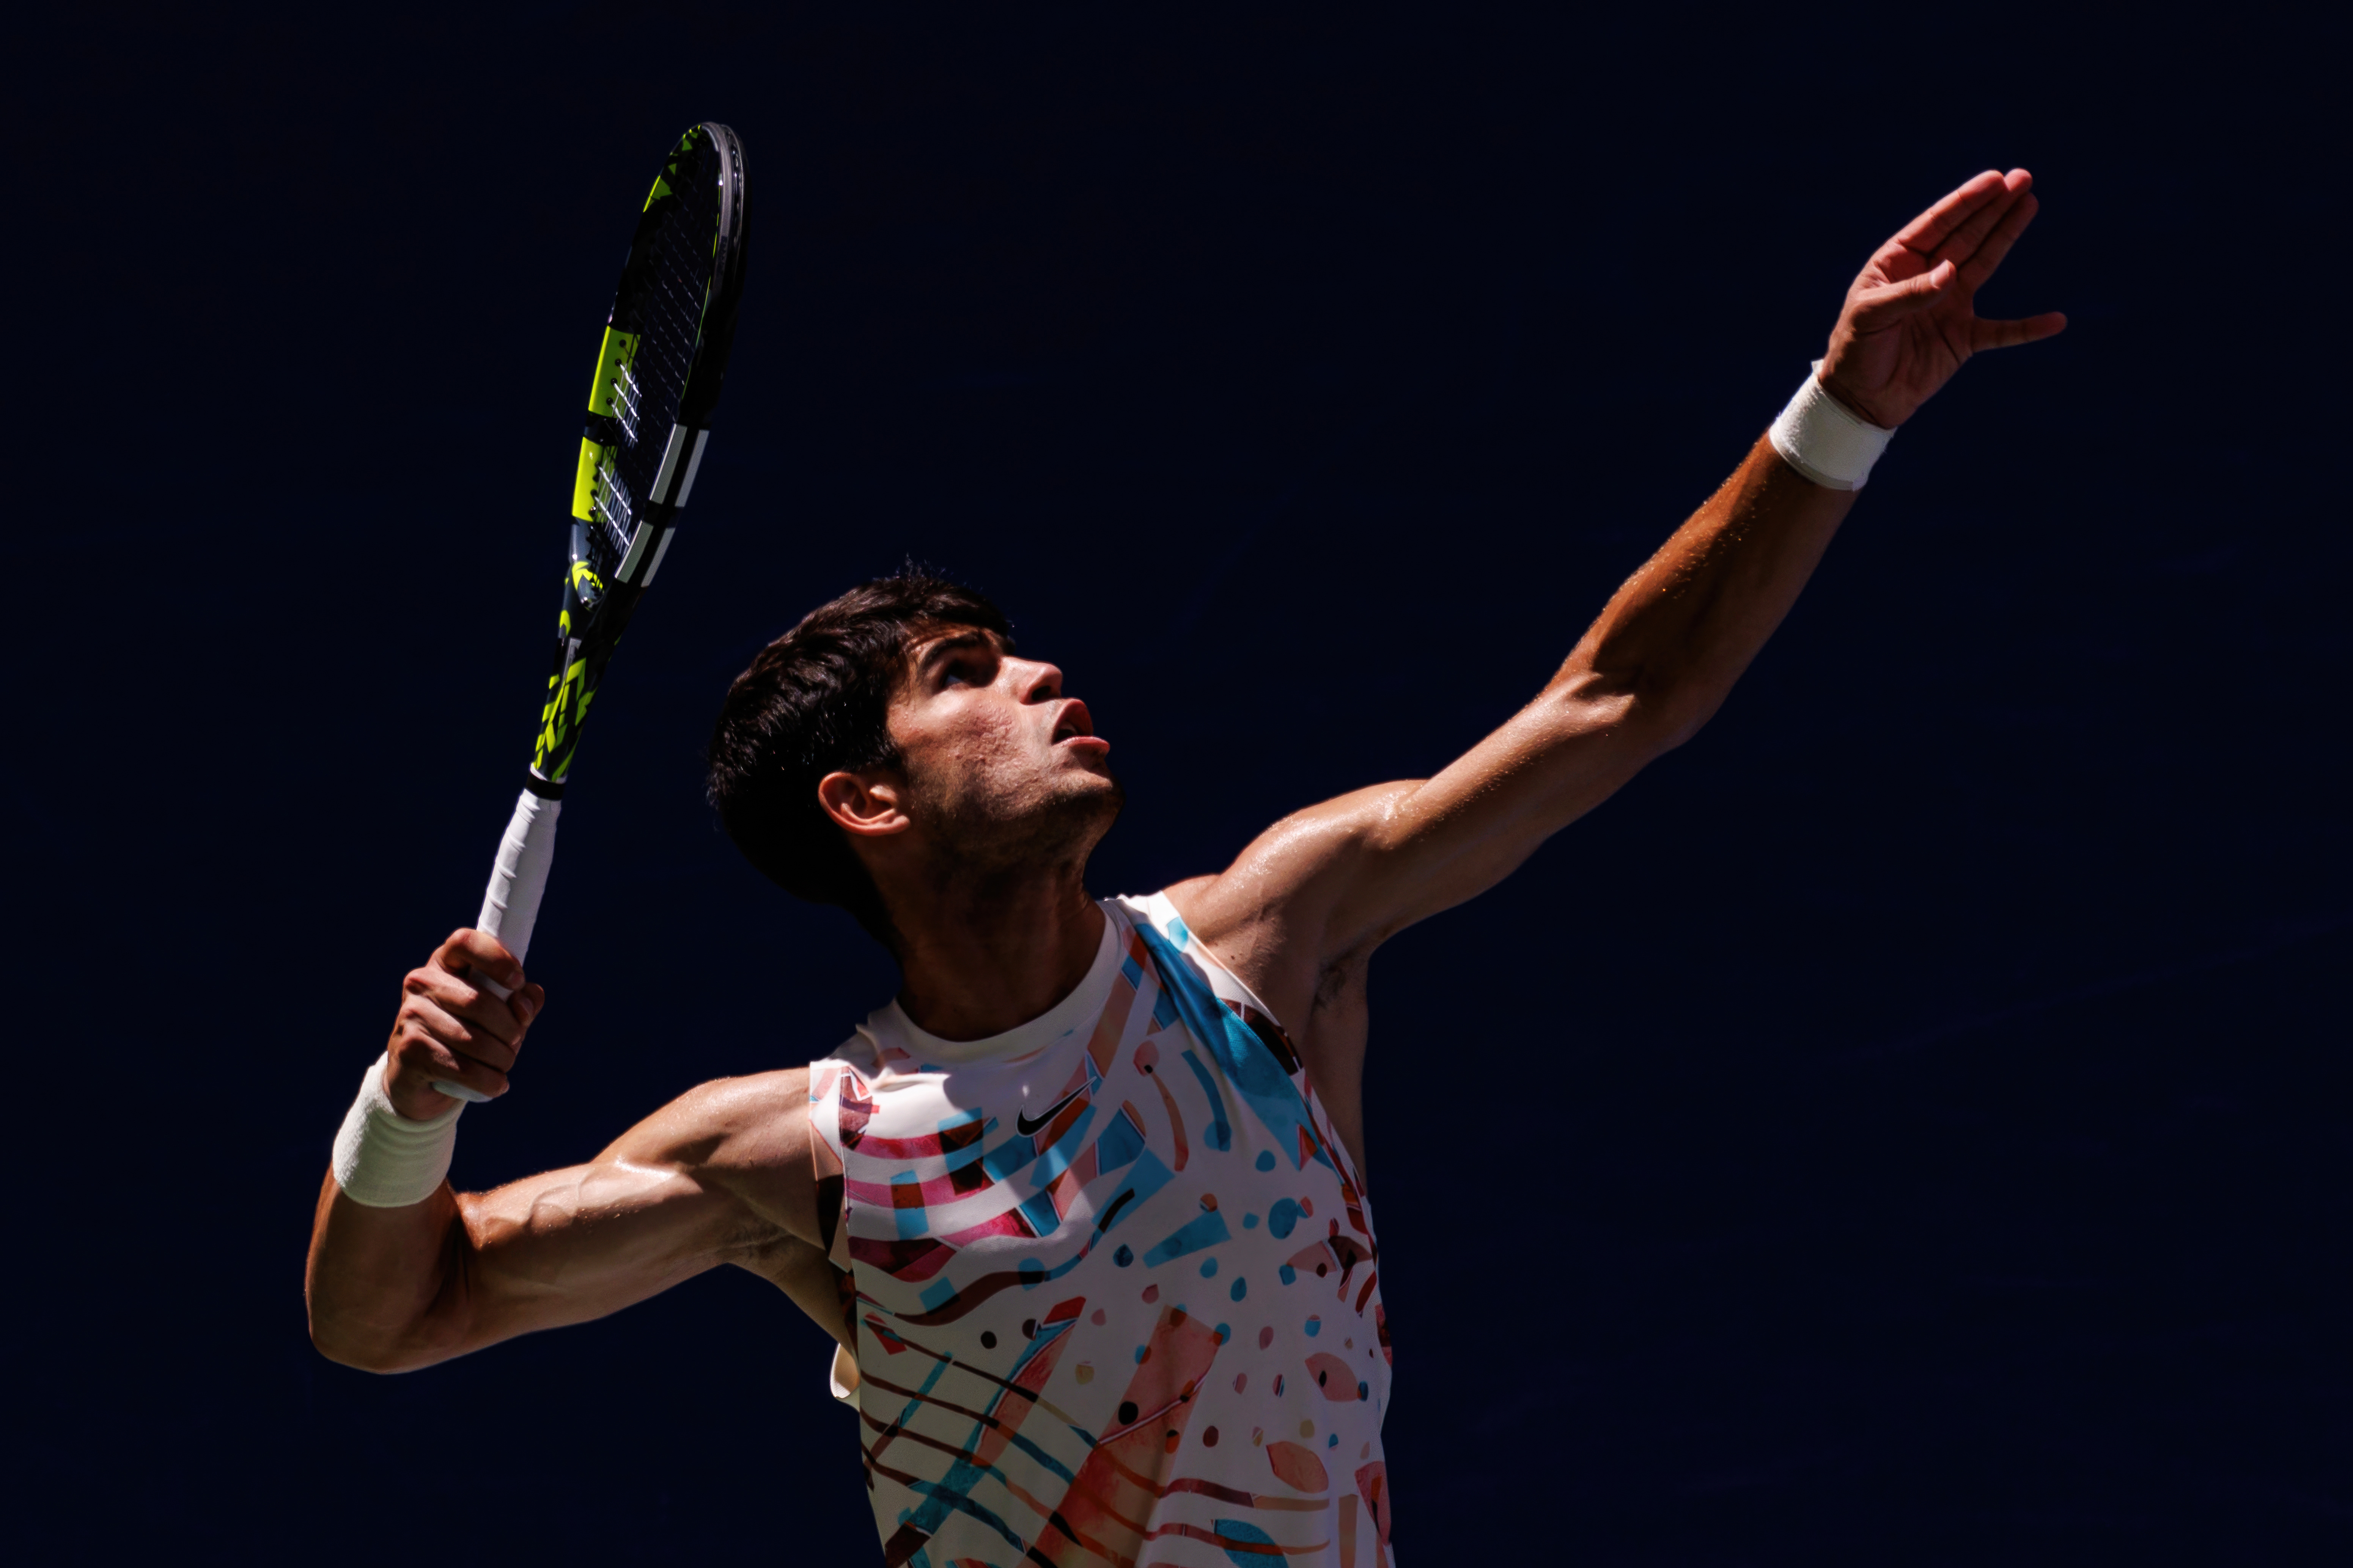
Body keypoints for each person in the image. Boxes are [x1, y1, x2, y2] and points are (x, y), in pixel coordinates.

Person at [307, 170, 2062, 1566]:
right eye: (965, 675)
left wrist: (1841, 412)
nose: (1042, 672)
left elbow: (1619, 697)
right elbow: (395, 1313)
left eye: (1015, 647)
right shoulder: (801, 1150)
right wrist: (411, 1101)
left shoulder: (1273, 940)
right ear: (865, 804)